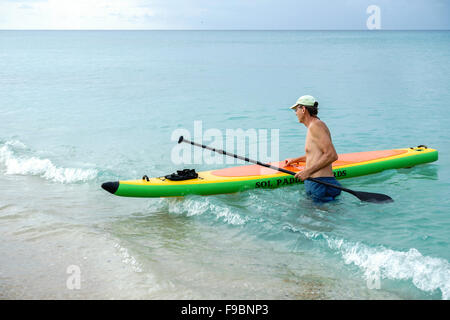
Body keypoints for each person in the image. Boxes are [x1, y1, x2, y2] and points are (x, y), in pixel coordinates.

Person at [284, 95, 341, 202]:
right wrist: (295, 160)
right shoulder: (314, 126)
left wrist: (307, 172)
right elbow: (316, 155)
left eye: (296, 109)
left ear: (303, 109)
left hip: (321, 183)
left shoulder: (316, 126)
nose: (296, 113)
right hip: (318, 183)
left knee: (318, 217)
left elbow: (332, 155)